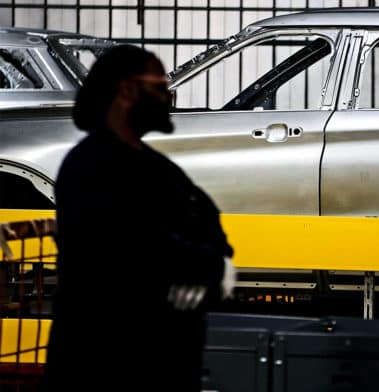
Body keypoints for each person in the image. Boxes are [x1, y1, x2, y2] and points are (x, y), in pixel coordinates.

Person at [43, 45, 235, 391]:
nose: (168, 98)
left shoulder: (152, 164)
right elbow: (133, 246)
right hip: (106, 363)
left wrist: (211, 263)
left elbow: (207, 218)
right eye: (160, 88)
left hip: (153, 361)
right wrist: (209, 267)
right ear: (128, 90)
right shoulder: (90, 167)